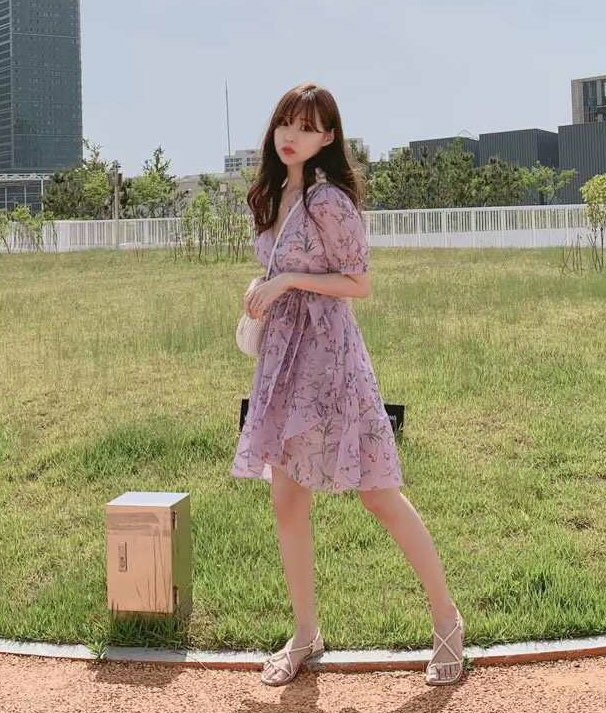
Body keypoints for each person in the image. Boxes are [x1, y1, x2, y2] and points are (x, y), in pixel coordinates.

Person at [231, 82, 464, 687]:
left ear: (328, 138)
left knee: (377, 493)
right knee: (287, 501)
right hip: (284, 359)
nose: (292, 135)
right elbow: (281, 264)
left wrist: (287, 282)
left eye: (308, 127)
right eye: (286, 122)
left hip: (329, 360)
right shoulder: (274, 193)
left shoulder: (328, 200)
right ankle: (306, 632)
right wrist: (265, 287)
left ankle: (447, 621)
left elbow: (359, 284)